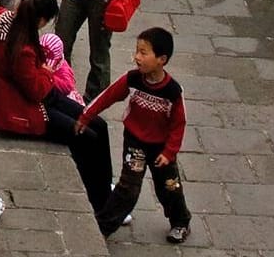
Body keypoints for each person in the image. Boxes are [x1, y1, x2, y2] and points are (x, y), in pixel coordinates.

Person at [0, 0, 113, 215]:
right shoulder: (22, 50)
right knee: (86, 136)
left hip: (40, 93)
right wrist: (47, 72)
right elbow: (36, 91)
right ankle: (101, 201)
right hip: (27, 107)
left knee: (97, 123)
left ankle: (104, 186)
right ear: (40, 20)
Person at [77, 27, 193, 243]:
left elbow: (179, 125)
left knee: (169, 187)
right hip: (135, 142)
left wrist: (169, 152)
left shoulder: (173, 92)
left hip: (162, 148)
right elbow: (108, 96)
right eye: (136, 51)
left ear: (162, 59)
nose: (137, 57)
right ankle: (103, 226)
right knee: (127, 187)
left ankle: (180, 222)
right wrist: (86, 116)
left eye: (143, 52)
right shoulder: (132, 79)